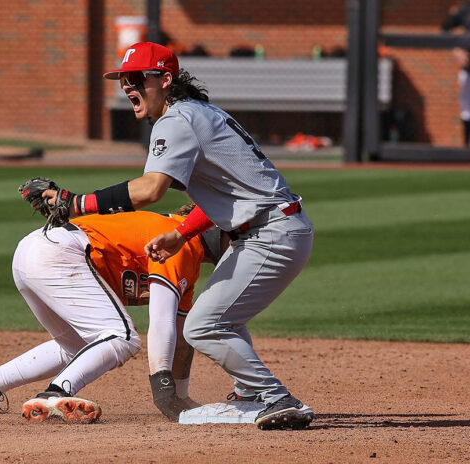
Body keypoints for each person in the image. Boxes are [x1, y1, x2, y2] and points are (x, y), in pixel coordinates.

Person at [41, 42, 315, 430]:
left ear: (165, 80)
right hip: (275, 227)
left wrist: (77, 202)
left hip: (271, 232)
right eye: (123, 80)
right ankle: (251, 393)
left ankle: (277, 397)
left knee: (203, 325)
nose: (127, 86)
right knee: (223, 316)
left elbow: (150, 189)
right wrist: (181, 233)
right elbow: (230, 192)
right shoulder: (200, 112)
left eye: (136, 78)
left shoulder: (176, 120)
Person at [0, 208, 226, 422]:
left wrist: (181, 396)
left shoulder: (186, 261)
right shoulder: (180, 241)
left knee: (79, 348)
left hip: (34, 252)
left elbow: (179, 337)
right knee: (123, 337)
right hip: (61, 252)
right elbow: (161, 320)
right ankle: (55, 394)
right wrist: (163, 386)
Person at [442, 2, 470, 146]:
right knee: (467, 108)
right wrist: (456, 50)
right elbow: (445, 29)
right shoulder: (465, 9)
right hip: (468, 69)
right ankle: (467, 149)